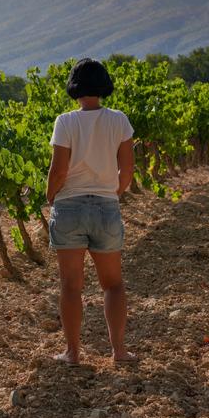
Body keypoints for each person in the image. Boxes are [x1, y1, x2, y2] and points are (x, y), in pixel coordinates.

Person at [46, 58, 137, 365]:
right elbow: (127, 171)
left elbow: (58, 171)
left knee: (71, 285)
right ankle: (119, 351)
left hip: (70, 207)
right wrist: (114, 193)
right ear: (104, 85)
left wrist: (50, 196)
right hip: (105, 208)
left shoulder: (65, 122)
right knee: (113, 283)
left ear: (74, 87)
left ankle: (72, 353)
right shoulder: (119, 121)